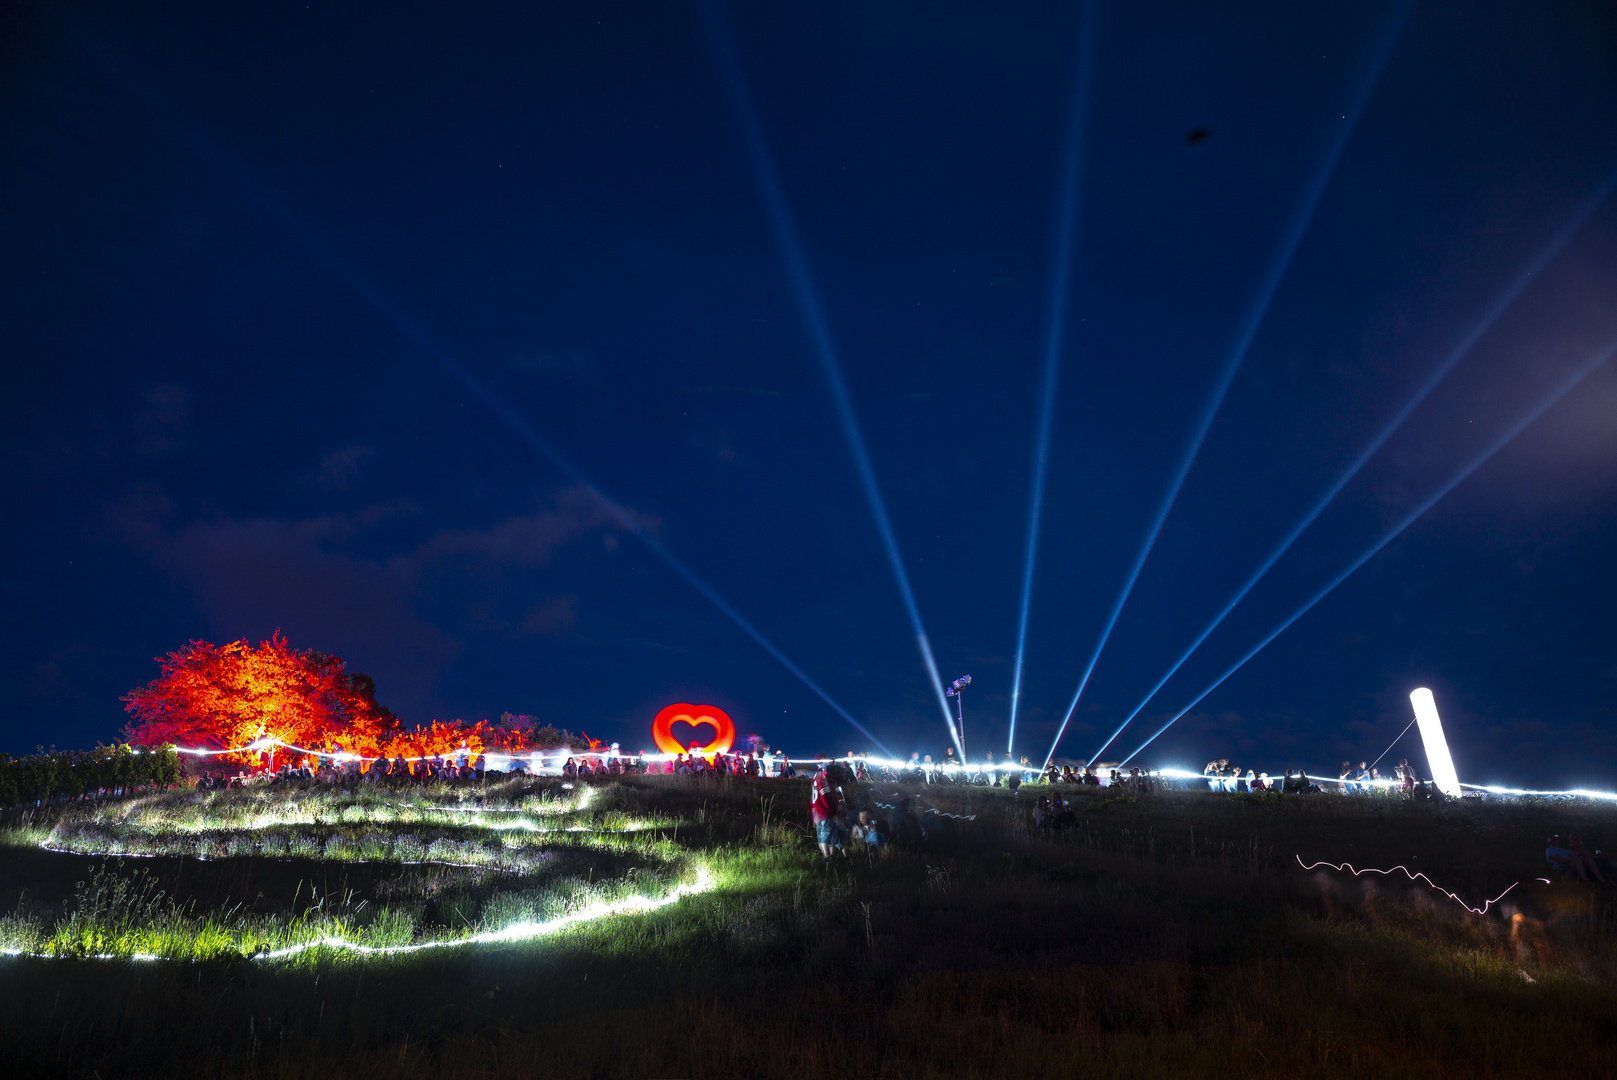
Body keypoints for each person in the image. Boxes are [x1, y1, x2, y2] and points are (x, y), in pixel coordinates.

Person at [810, 764, 842, 858]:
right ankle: (829, 859)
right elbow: (827, 794)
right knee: (828, 838)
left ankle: (826, 859)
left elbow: (812, 800)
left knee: (820, 838)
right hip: (825, 813)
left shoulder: (814, 780)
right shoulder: (823, 779)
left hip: (817, 814)